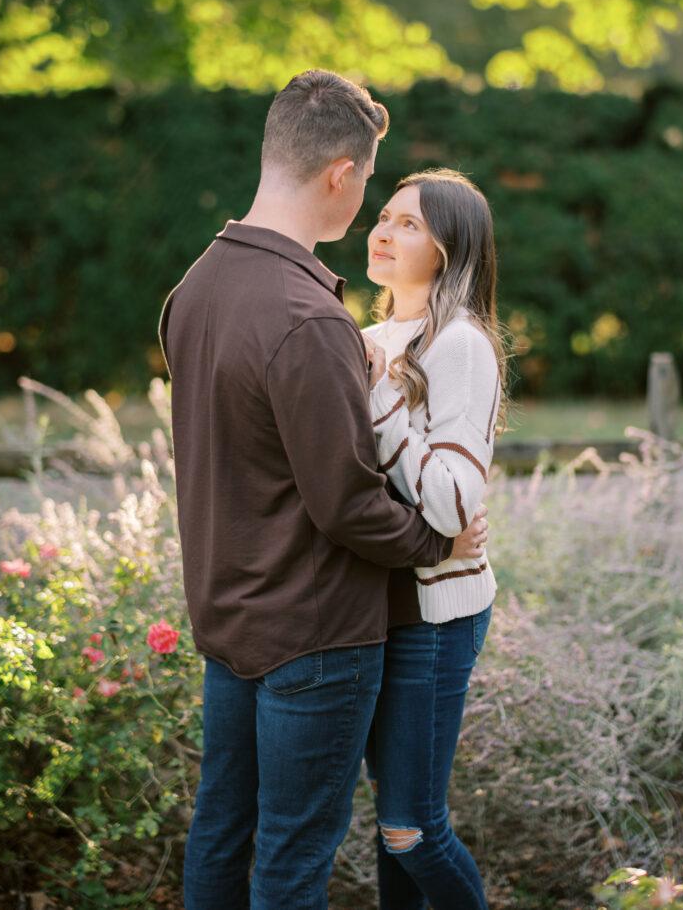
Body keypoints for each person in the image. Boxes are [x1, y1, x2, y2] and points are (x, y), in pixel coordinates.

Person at [157, 70, 489, 910]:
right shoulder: (307, 317)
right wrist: (436, 542)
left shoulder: (194, 288)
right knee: (290, 865)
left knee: (221, 833)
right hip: (311, 635)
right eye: (372, 188)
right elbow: (346, 503)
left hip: (228, 618)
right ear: (342, 173)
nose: (371, 211)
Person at [361, 168, 505, 910]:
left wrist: (381, 396)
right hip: (366, 609)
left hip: (435, 617)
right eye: (383, 216)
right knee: (391, 828)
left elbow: (452, 502)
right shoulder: (361, 340)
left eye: (409, 224)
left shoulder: (460, 345)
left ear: (449, 251)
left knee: (412, 827)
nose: (383, 231)